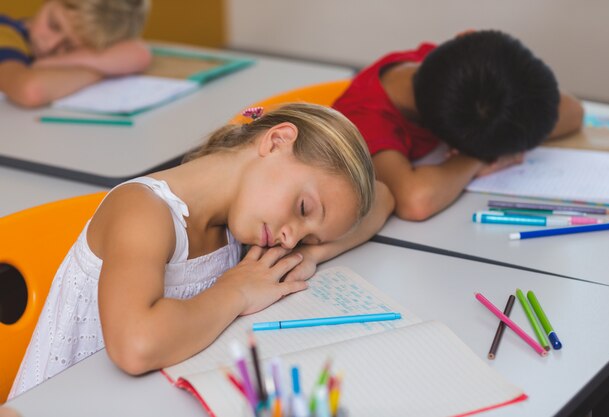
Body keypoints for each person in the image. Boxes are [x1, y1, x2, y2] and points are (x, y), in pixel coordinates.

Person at [8, 103, 394, 398]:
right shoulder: (145, 212)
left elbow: (383, 199)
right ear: (276, 141)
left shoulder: (241, 220)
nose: (290, 240)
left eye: (308, 237)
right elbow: (135, 347)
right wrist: (236, 291)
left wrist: (307, 256)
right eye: (304, 209)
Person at [333, 30, 584, 221]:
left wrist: (485, 146)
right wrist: (480, 157)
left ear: (465, 35)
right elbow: (415, 201)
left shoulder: (458, 69)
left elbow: (573, 111)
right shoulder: (365, 120)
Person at [0, 0, 151, 107]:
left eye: (69, 46)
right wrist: (101, 71)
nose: (50, 45)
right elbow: (31, 91)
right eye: (54, 25)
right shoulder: (5, 33)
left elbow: (139, 53)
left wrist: (53, 64)